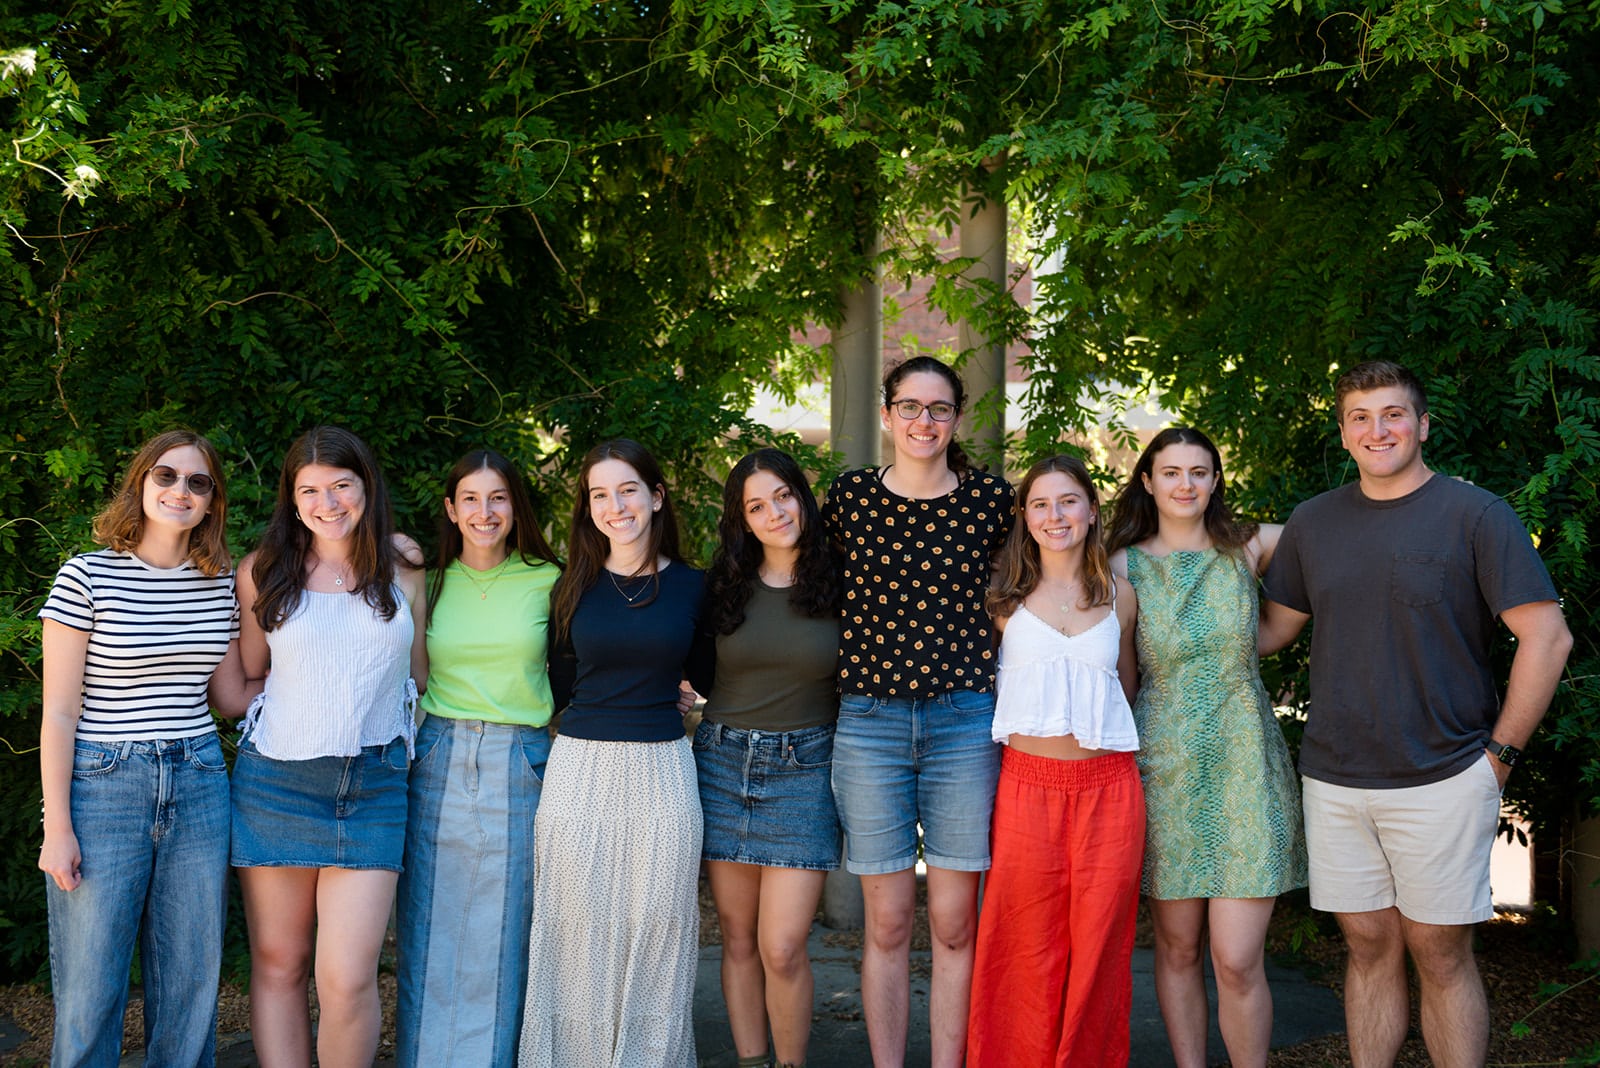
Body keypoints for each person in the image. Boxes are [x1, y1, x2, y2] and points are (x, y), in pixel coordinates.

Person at [1260, 361, 1572, 1068]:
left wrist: (1499, 759)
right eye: (1361, 417)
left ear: (1423, 425)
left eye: (1393, 414)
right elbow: (1269, 632)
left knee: (1440, 950)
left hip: (1445, 773)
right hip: (1336, 778)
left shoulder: (1476, 515)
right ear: (1344, 433)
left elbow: (1548, 638)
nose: (1378, 430)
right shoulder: (1314, 522)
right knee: (1368, 945)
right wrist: (1179, 578)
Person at [38, 429, 256, 1068]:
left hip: (198, 779)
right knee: (91, 988)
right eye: (166, 475)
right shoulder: (85, 575)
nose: (180, 490)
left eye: (198, 482)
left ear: (212, 501)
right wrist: (58, 827)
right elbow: (58, 713)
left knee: (190, 982)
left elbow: (230, 696)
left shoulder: (218, 583)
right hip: (105, 784)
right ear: (141, 482)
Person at [822, 355, 1013, 1068]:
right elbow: (808, 591)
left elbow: (1031, 590)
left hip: (964, 723)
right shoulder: (850, 498)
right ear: (886, 415)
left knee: (956, 923)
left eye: (939, 408)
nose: (923, 421)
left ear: (956, 418)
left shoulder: (993, 501)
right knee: (889, 923)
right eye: (910, 406)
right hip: (869, 725)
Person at [1104, 426, 1308, 1068]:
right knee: (1178, 949)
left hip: (1246, 762)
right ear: (1147, 481)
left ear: (1216, 479)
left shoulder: (1250, 545)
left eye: (1199, 471)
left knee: (1238, 958)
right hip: (1164, 768)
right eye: (1171, 472)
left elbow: (1338, 531)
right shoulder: (1121, 565)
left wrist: (1429, 498)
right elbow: (1120, 679)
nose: (1185, 484)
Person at [231, 425, 427, 1068]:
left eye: (341, 485)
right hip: (277, 783)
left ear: (366, 486)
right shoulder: (262, 571)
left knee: (346, 978)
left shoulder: (404, 563)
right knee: (279, 962)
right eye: (310, 490)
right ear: (292, 500)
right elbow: (252, 673)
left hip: (374, 785)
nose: (328, 503)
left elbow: (418, 675)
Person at [517, 439, 705, 1068]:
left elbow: (712, 673)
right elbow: (558, 681)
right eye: (599, 494)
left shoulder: (695, 587)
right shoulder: (569, 585)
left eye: (627, 490)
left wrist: (687, 693)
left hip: (663, 770)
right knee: (577, 933)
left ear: (657, 496)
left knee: (660, 930)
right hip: (580, 771)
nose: (615, 506)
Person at [967, 454, 1144, 1065]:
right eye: (1040, 504)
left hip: (1110, 790)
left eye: (1068, 501)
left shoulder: (1121, 595)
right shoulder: (1002, 598)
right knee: (1022, 944)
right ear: (1024, 515)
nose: (1055, 515)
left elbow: (1126, 685)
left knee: (1099, 948)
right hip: (1026, 787)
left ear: (1092, 510)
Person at [396, 449, 562, 1067]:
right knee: (428, 921)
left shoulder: (552, 579)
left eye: (498, 498)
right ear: (450, 508)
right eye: (470, 498)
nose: (484, 512)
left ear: (515, 506)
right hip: (438, 751)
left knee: (506, 926)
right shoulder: (429, 582)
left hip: (522, 756)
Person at [694, 448, 842, 1068]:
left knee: (781, 946)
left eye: (783, 496)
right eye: (756, 506)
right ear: (742, 520)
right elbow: (689, 664)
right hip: (722, 764)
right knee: (737, 940)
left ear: (802, 497)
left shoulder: (845, 579)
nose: (774, 513)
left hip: (805, 772)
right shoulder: (722, 586)